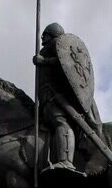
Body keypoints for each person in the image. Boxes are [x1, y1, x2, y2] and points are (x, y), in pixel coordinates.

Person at [33, 23, 102, 171]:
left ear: (52, 34)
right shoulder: (47, 48)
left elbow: (66, 63)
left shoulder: (58, 45)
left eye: (45, 34)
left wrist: (44, 61)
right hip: (47, 99)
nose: (42, 36)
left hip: (59, 98)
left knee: (61, 122)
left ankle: (66, 161)